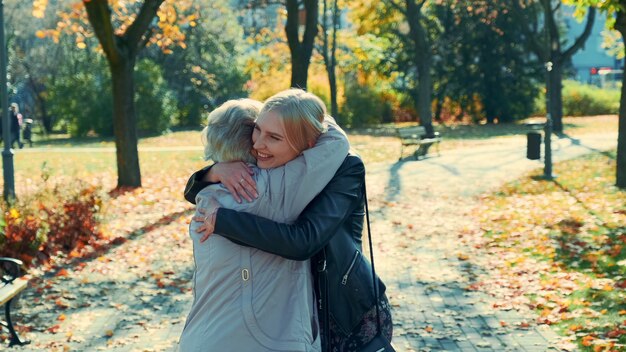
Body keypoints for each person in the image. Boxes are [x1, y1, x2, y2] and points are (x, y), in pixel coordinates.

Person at [185, 118, 393, 351]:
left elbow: (303, 241)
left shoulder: (345, 168)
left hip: (346, 307)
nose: (259, 145)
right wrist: (213, 171)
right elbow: (198, 192)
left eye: (274, 137)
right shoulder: (280, 173)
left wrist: (222, 220)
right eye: (258, 132)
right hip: (304, 310)